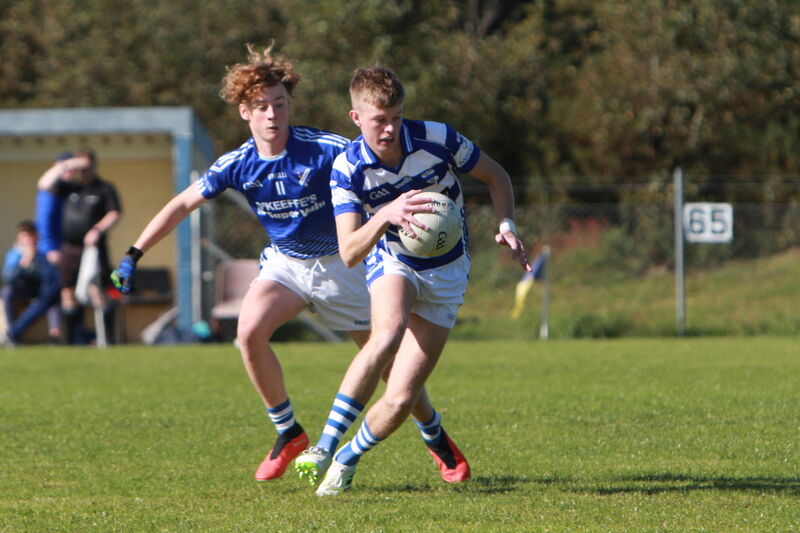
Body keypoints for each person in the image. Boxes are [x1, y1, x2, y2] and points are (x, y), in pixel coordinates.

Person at [109, 44, 463, 482]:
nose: (273, 114)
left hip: (344, 266)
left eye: (280, 104)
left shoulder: (324, 148)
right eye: (262, 107)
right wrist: (133, 253)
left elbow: (371, 165)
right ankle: (288, 432)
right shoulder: (238, 163)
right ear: (245, 113)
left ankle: (434, 434)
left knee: (392, 371)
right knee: (249, 331)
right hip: (286, 267)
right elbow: (182, 204)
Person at [294, 66, 531, 496]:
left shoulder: (437, 139)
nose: (389, 129)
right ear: (356, 118)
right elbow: (349, 252)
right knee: (386, 335)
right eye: (379, 120)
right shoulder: (347, 168)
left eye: (397, 117)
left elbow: (498, 176)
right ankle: (323, 448)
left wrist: (507, 224)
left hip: (448, 271)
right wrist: (384, 214)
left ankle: (347, 459)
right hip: (394, 260)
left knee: (402, 397)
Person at [39, 149, 122, 345]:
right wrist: (67, 165)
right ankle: (72, 341)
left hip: (93, 249)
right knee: (67, 291)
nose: (83, 171)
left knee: (97, 290)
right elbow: (44, 184)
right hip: (69, 248)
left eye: (86, 166)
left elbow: (115, 213)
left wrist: (98, 229)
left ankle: (106, 340)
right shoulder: (70, 187)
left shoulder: (104, 189)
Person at [32, 151, 75, 340]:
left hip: (63, 250)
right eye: (67, 167)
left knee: (61, 294)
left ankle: (67, 334)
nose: (70, 172)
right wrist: (50, 248)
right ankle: (13, 331)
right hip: (51, 252)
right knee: (48, 296)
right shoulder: (50, 190)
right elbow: (45, 222)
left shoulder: (65, 190)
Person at [1, 221, 61, 346]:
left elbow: (47, 278)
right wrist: (23, 263)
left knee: (53, 295)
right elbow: (8, 279)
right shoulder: (14, 255)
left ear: (36, 237)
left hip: (40, 291)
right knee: (7, 292)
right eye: (24, 236)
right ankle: (12, 334)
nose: (28, 240)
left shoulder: (43, 255)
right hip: (21, 290)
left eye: (30, 236)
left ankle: (55, 334)